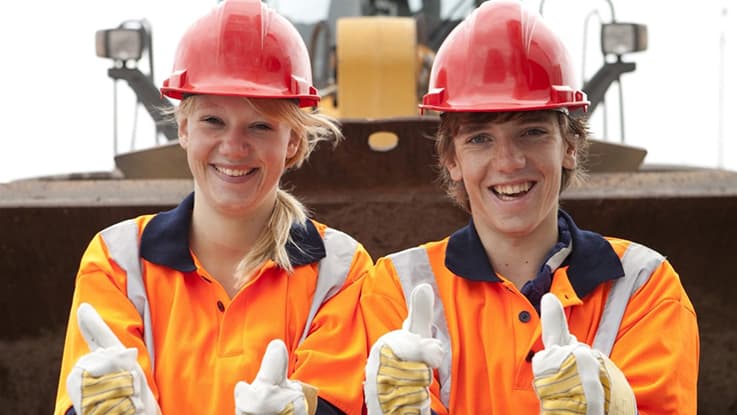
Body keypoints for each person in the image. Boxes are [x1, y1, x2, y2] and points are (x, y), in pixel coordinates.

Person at [360, 1, 699, 414]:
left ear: (570, 146)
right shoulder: (396, 287)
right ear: (451, 159)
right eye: (479, 138)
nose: (509, 162)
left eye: (532, 132)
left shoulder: (644, 287)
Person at [53, 1, 372, 414]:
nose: (234, 147)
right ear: (183, 128)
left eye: (260, 126)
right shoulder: (117, 262)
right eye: (213, 121)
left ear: (292, 141)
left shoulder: (341, 272)